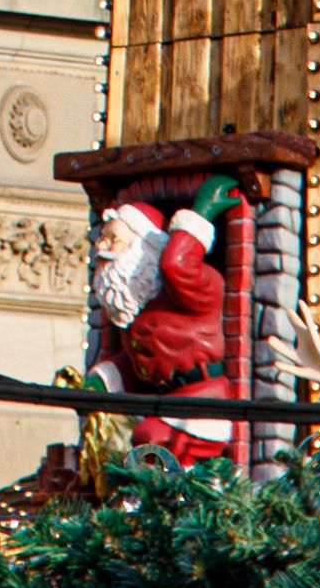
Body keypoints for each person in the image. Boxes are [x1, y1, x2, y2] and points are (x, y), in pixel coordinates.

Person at [93, 174, 249, 464]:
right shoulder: (134, 304)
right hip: (163, 400)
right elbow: (140, 360)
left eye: (115, 239)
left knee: (148, 438)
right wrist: (105, 379)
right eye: (103, 237)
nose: (103, 247)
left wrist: (201, 214)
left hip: (204, 400)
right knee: (111, 448)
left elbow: (177, 265)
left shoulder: (192, 288)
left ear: (145, 251)